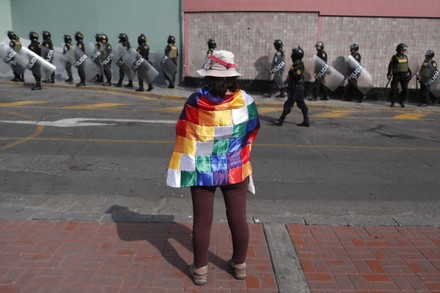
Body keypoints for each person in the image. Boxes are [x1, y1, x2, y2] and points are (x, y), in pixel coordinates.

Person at [166, 50, 260, 286]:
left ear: (209, 77)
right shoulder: (245, 101)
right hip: (235, 168)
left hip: (202, 169)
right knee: (238, 217)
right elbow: (252, 129)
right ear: (232, 77)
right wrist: (237, 152)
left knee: (202, 220)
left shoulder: (196, 101)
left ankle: (200, 271)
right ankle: (239, 266)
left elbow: (183, 131)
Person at [272, 46, 310, 127]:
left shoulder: (299, 65)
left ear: (296, 56)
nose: (291, 56)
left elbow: (298, 76)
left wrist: (292, 71)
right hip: (297, 87)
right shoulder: (296, 63)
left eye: (292, 54)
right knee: (301, 104)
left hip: (296, 87)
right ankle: (306, 121)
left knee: (288, 104)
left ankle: (280, 121)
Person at [387, 43, 411, 107]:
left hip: (404, 75)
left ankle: (402, 102)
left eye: (405, 50)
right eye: (403, 50)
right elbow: (390, 66)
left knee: (405, 89)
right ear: (398, 50)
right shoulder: (394, 57)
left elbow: (406, 66)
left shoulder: (405, 57)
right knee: (394, 89)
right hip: (397, 75)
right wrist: (389, 74)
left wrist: (409, 73)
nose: (404, 51)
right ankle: (392, 102)